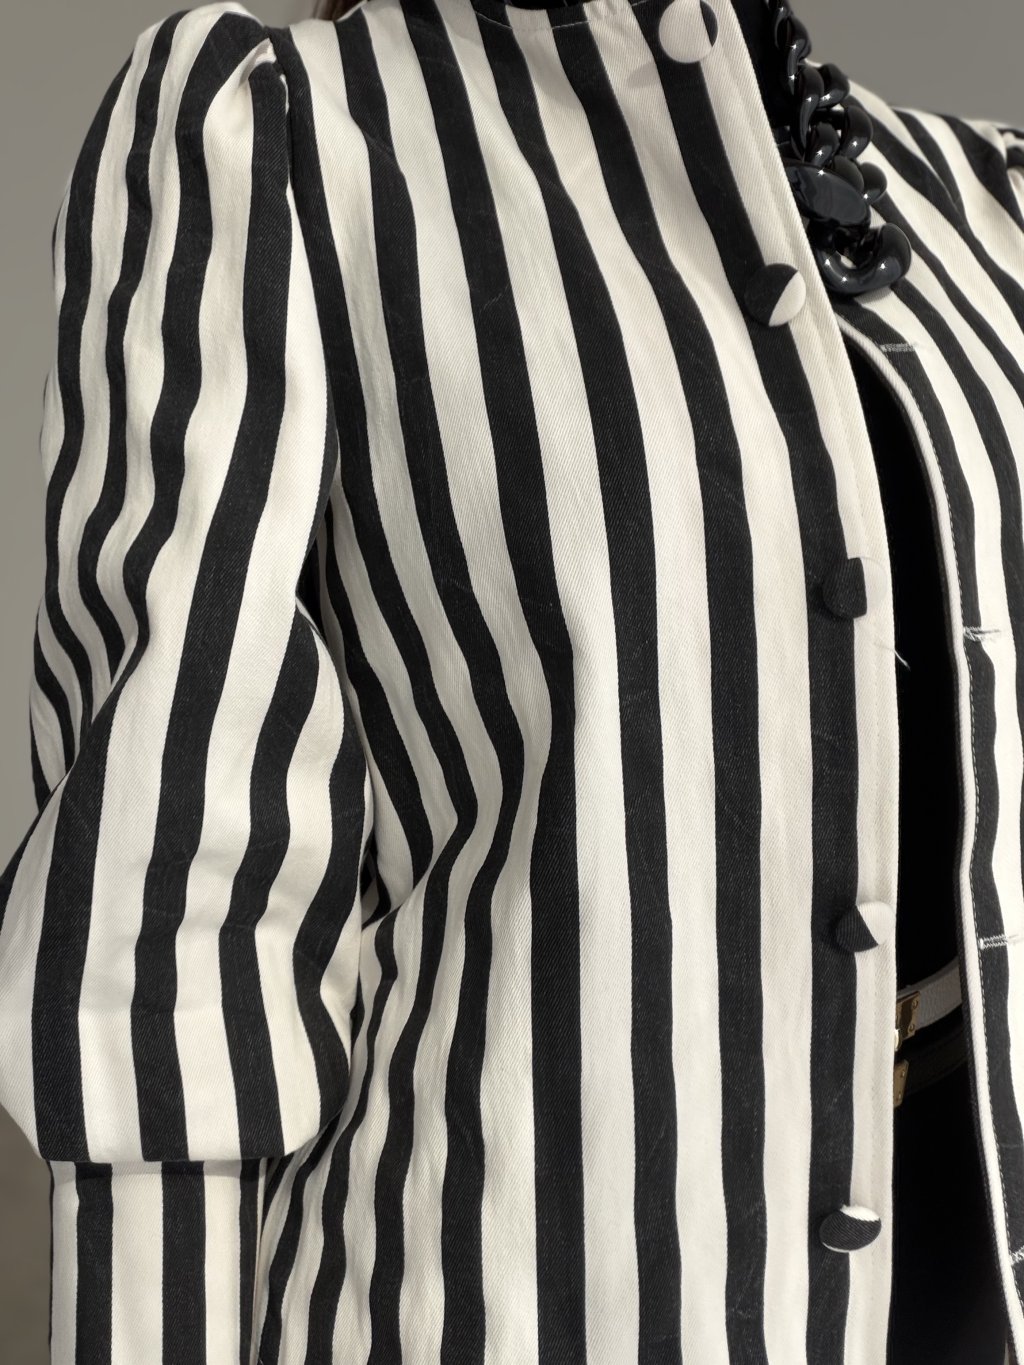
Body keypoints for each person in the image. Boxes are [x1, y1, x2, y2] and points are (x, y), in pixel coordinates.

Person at [0, 0, 1023, 1359]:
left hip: (973, 1280)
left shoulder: (981, 196)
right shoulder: (292, 133)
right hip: (526, 1288)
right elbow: (166, 900)